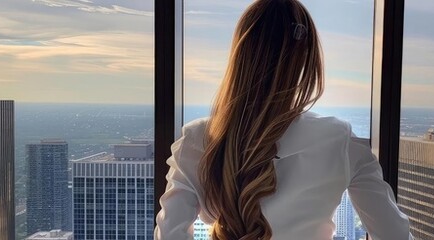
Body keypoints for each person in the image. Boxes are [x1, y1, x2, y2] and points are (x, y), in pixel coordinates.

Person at [154, 0, 411, 239]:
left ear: (240, 54)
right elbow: (394, 234)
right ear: (307, 63)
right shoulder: (340, 142)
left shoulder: (197, 140)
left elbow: (170, 234)